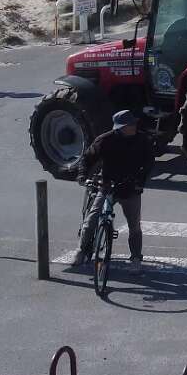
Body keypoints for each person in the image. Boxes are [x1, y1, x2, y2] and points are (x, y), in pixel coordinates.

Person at [75, 110, 155, 265]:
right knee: (91, 220)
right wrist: (82, 175)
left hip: (130, 188)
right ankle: (81, 250)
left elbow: (149, 162)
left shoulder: (142, 140)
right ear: (121, 127)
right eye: (130, 124)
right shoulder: (105, 140)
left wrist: (141, 180)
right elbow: (87, 158)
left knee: (134, 225)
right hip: (107, 185)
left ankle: (136, 258)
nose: (134, 126)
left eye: (134, 123)